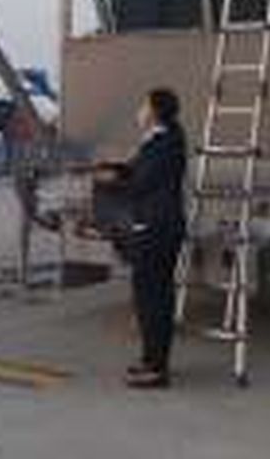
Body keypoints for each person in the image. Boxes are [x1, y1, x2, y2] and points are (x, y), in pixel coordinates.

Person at [99, 88, 187, 389]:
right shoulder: (160, 139)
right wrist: (113, 168)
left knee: (153, 297)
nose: (140, 111)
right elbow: (137, 170)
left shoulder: (165, 141)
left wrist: (115, 181)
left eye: (144, 105)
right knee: (148, 294)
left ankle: (157, 368)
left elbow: (142, 183)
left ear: (155, 111)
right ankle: (151, 359)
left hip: (158, 228)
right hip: (154, 226)